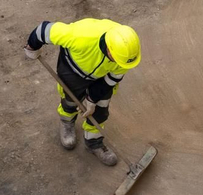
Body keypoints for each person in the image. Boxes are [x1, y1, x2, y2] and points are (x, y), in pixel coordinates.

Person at [22, 18, 142, 166]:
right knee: (70, 100)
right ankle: (67, 123)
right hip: (73, 69)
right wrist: (32, 46)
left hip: (102, 76)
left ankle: (94, 143)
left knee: (100, 108)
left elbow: (111, 79)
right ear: (109, 48)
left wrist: (92, 99)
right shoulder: (80, 36)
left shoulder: (126, 55)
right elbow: (43, 30)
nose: (119, 64)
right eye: (116, 59)